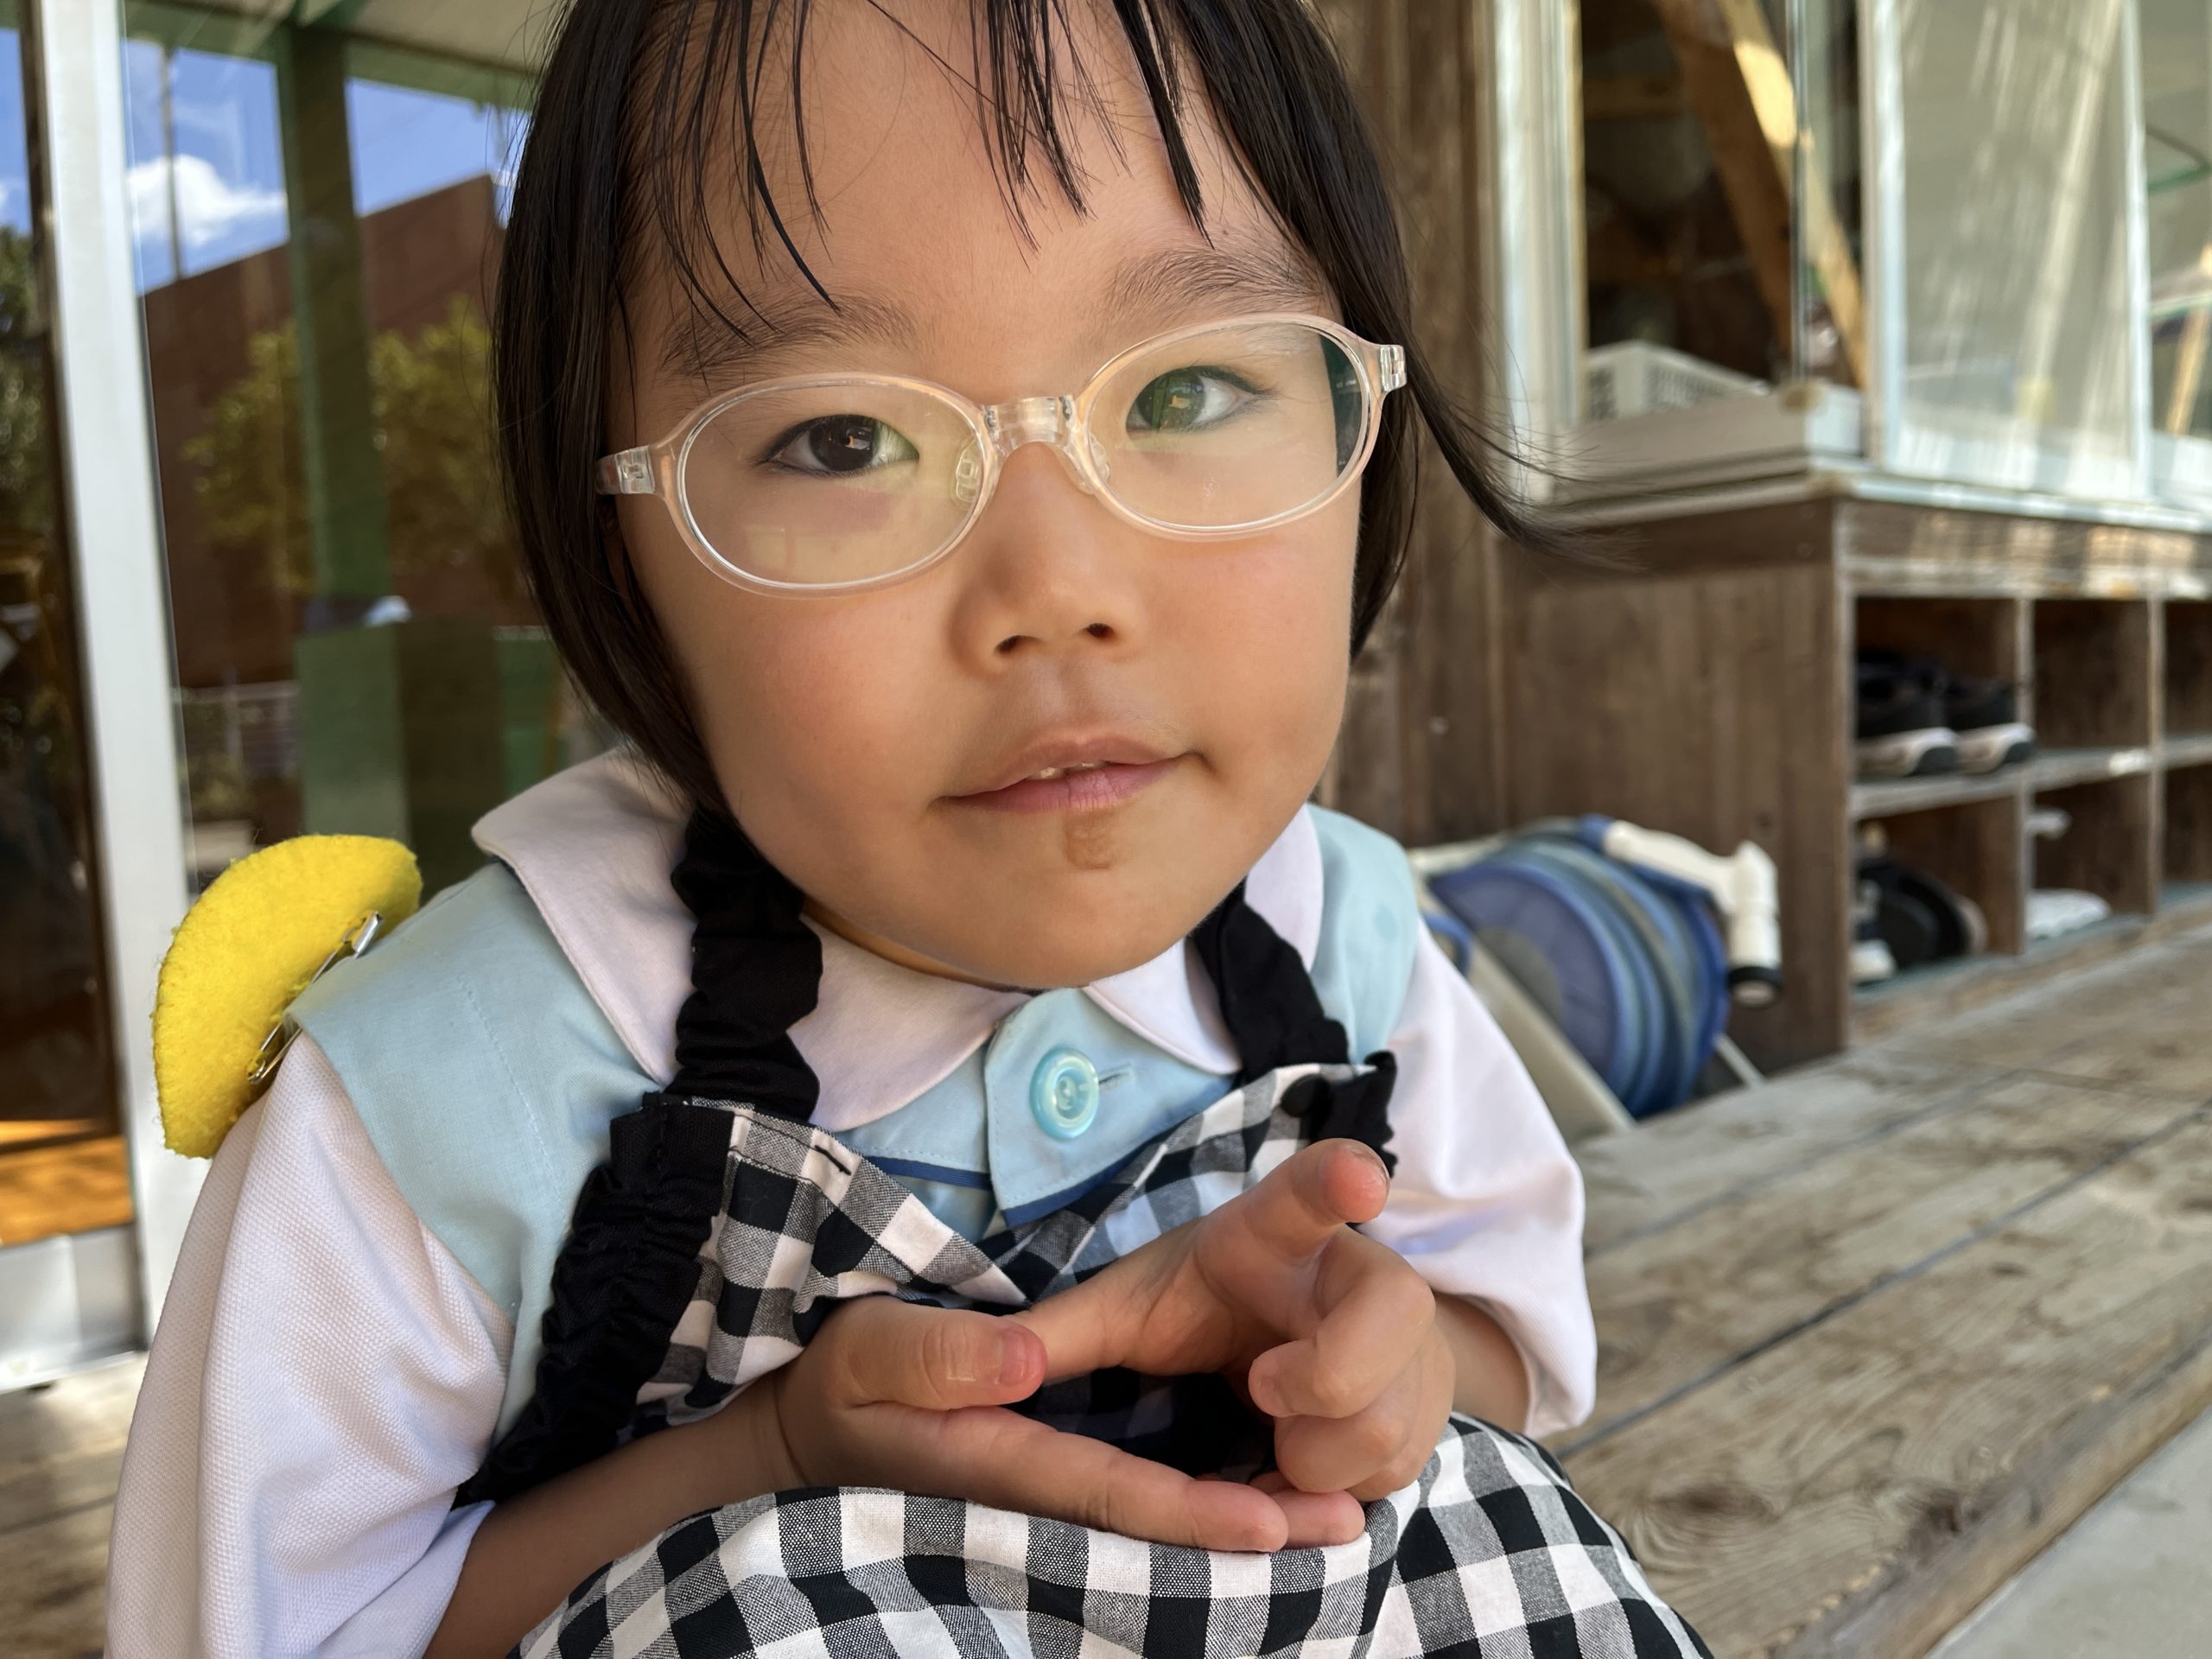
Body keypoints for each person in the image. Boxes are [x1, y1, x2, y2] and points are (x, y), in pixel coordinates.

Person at [109, 2, 1711, 1654]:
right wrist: (772, 1457)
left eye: (1185, 393)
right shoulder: (451, 1093)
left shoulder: (1338, 940)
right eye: (843, 440)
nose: (1058, 590)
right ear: (617, 553)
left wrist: (1386, 1369)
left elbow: (1519, 1348)